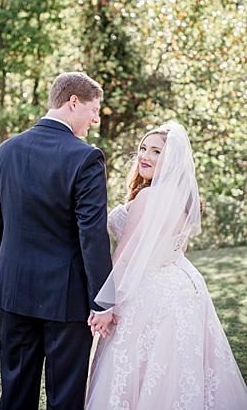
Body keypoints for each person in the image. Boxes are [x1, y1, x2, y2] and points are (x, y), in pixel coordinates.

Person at [86, 122, 247, 408]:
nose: (145, 156)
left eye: (156, 152)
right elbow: (176, 248)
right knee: (179, 368)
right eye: (143, 149)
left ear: (171, 159)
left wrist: (105, 304)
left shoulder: (148, 197)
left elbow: (125, 255)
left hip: (148, 291)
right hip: (185, 285)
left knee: (141, 369)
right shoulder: (183, 199)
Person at [0, 72, 114, 409]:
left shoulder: (5, 151)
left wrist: (16, 268)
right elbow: (92, 235)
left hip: (13, 291)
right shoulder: (85, 157)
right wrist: (102, 300)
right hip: (65, 298)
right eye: (94, 108)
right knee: (64, 397)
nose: (95, 118)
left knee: (14, 393)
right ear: (73, 102)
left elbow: (2, 224)